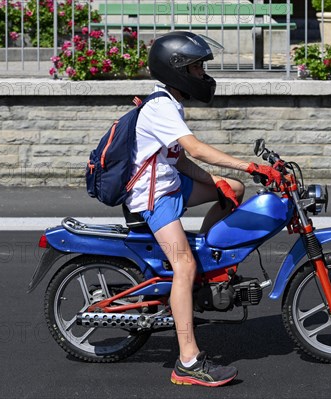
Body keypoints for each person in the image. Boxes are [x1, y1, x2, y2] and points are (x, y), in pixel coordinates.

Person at [125, 31, 281, 387]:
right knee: (184, 265)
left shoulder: (169, 102)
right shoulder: (161, 106)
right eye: (197, 68)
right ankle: (188, 362)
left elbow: (179, 161)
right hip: (153, 197)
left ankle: (211, 259)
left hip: (168, 183)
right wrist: (250, 166)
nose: (203, 75)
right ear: (177, 69)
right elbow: (194, 149)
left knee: (234, 191)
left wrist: (219, 180)